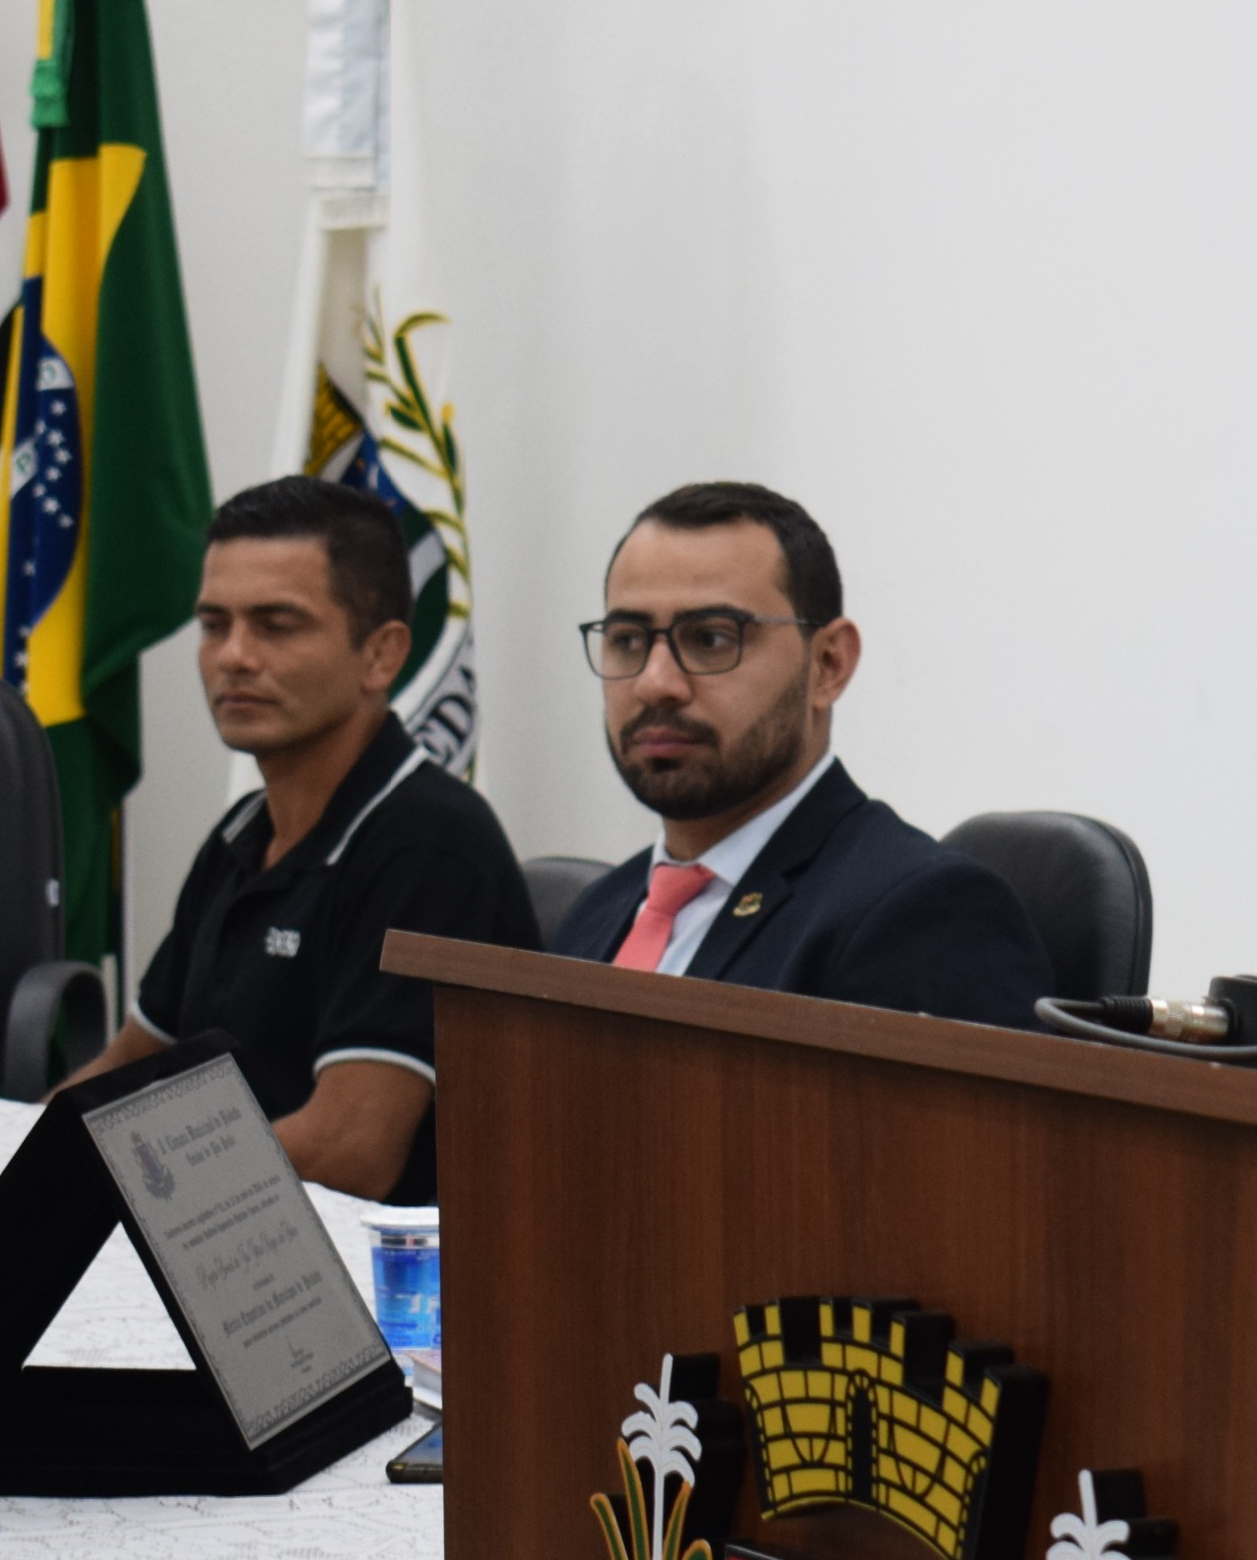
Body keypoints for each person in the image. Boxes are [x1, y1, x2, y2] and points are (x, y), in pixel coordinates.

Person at [67, 477, 539, 1202]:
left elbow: (348, 1152)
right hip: (224, 1234)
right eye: (214, 624)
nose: (233, 656)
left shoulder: (430, 846)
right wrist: (15, 1158)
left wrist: (119, 1183)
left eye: (277, 625)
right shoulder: (241, 832)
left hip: (379, 1266)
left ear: (382, 656)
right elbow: (127, 1066)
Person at [551, 480, 1054, 1026]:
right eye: (627, 640)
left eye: (711, 639)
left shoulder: (924, 915)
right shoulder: (596, 913)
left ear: (828, 665)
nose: (655, 683)